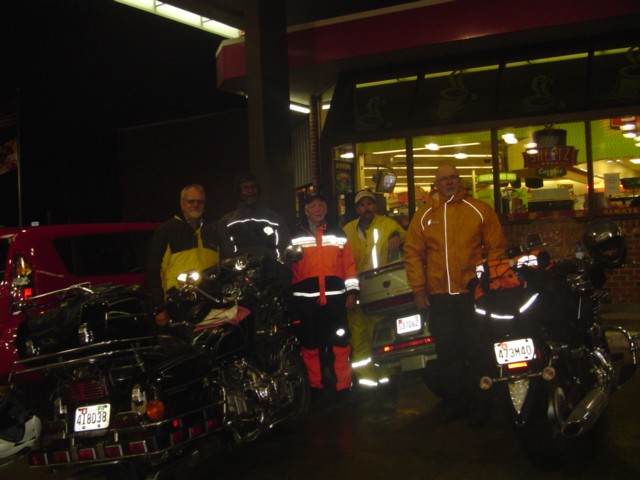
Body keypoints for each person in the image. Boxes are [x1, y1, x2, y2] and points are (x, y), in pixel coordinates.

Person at [403, 163, 507, 427]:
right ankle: (458, 402)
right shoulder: (424, 216)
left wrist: (490, 283)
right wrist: (418, 288)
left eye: (453, 178)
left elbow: (496, 248)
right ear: (436, 185)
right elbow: (413, 253)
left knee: (478, 350)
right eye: (444, 179)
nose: (449, 182)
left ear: (459, 181)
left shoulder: (479, 210)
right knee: (449, 353)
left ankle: (483, 403)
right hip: (440, 297)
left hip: (473, 295)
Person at [288, 194, 359, 401]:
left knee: (340, 342)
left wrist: (352, 292)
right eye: (313, 206)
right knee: (310, 344)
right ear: (306, 211)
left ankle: (343, 386)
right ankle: (315, 387)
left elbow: (349, 266)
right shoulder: (294, 236)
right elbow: (289, 267)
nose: (318, 209)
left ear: (326, 210)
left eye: (321, 205)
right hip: (306, 302)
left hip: (335, 300)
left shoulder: (338, 234)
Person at [343, 189, 406, 388]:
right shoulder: (348, 230)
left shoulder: (388, 224)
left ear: (375, 206)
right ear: (357, 209)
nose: (366, 208)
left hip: (381, 290)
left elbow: (406, 237)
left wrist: (397, 236)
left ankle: (386, 377)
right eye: (362, 205)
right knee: (358, 336)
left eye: (369, 204)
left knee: (380, 333)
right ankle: (367, 381)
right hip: (357, 289)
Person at [146, 184, 219, 326]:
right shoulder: (166, 231)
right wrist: (159, 308)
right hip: (178, 302)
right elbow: (154, 270)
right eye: (191, 201)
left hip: (210, 301)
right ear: (182, 203)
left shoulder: (212, 230)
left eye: (200, 202)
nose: (196, 205)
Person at [217, 172, 291, 260]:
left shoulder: (275, 218)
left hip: (271, 267)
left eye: (253, 187)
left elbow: (285, 247)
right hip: (240, 268)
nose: (250, 191)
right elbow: (225, 252)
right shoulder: (227, 221)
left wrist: (279, 264)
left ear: (258, 190)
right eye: (245, 188)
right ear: (238, 192)